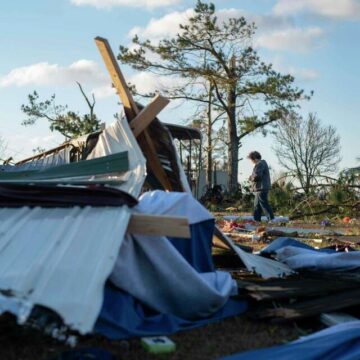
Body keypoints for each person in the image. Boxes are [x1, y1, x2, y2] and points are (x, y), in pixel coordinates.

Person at [247, 151, 274, 222]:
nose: (251, 162)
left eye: (251, 160)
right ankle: (257, 220)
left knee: (264, 204)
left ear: (255, 158)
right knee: (257, 206)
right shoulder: (262, 163)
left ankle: (271, 219)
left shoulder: (260, 164)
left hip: (261, 188)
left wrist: (251, 177)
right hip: (260, 188)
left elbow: (257, 176)